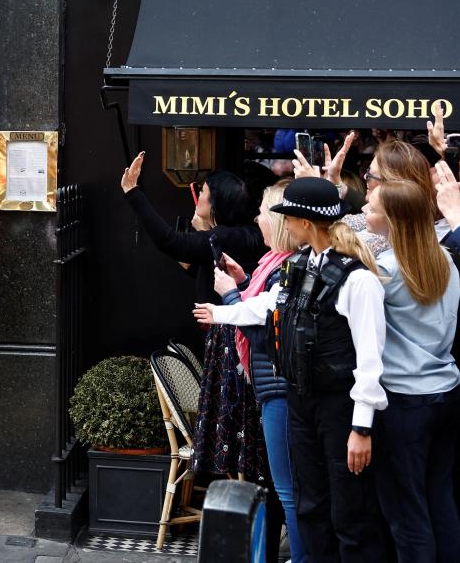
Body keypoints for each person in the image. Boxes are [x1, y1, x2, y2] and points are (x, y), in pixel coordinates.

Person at [194, 177, 387, 561]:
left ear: (305, 223)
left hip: (338, 408)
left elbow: (369, 359)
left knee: (349, 512)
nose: (285, 223)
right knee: (309, 503)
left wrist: (361, 427)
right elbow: (268, 305)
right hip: (301, 400)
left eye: (289, 217)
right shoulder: (300, 264)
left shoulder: (359, 279)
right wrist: (221, 313)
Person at [120, 154, 269, 482]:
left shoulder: (229, 237)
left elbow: (171, 243)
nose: (198, 196)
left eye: (203, 193)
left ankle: (239, 503)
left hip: (234, 342)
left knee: (236, 431)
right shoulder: (228, 235)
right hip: (222, 338)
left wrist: (133, 192)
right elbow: (195, 268)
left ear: (215, 203)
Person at [200, 181, 304, 560]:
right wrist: (243, 283)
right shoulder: (273, 267)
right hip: (273, 389)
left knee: (288, 490)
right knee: (284, 488)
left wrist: (229, 295)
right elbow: (262, 309)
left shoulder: (286, 271)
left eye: (263, 210)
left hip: (279, 390)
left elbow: (266, 333)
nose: (257, 216)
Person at [363, 180, 460, 561]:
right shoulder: (446, 262)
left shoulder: (383, 272)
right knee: (440, 500)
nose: (364, 213)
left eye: (370, 208)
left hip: (404, 401)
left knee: (408, 513)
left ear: (393, 220)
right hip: (445, 391)